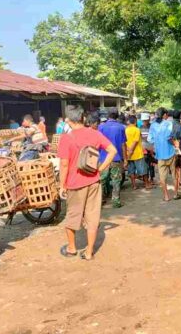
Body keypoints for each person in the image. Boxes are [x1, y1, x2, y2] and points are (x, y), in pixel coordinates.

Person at [58, 105, 116, 261]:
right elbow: (112, 151)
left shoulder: (66, 138)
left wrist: (62, 185)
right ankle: (89, 252)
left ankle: (71, 248)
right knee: (92, 217)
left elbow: (64, 164)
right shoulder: (95, 134)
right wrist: (101, 169)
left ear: (68, 121)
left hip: (75, 184)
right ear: (83, 118)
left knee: (72, 216)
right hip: (94, 181)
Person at [98, 110, 127, 208]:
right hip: (116, 157)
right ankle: (116, 201)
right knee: (116, 180)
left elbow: (97, 143)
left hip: (103, 158)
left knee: (102, 179)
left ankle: (101, 199)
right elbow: (123, 145)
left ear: (107, 116)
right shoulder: (121, 127)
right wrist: (125, 159)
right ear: (117, 117)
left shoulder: (101, 127)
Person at [149, 108, 176, 202]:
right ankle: (176, 194)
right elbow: (170, 137)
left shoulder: (152, 125)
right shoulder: (169, 123)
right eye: (167, 115)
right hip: (170, 152)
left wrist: (157, 142)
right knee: (174, 174)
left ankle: (166, 196)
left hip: (160, 154)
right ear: (164, 115)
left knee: (162, 177)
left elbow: (150, 139)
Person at [125, 115, 151, 190]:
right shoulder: (137, 130)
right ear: (135, 121)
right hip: (137, 153)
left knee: (131, 170)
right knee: (143, 170)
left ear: (129, 122)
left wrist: (129, 152)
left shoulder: (125, 130)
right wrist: (131, 150)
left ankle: (134, 185)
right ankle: (146, 184)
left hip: (128, 154)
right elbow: (136, 141)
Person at [140, 113, 156, 185]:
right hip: (143, 148)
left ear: (149, 120)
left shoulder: (152, 127)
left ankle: (152, 178)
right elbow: (140, 137)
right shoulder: (140, 127)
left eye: (146, 120)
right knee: (144, 164)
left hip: (151, 147)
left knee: (151, 164)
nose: (145, 122)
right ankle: (145, 179)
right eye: (144, 121)